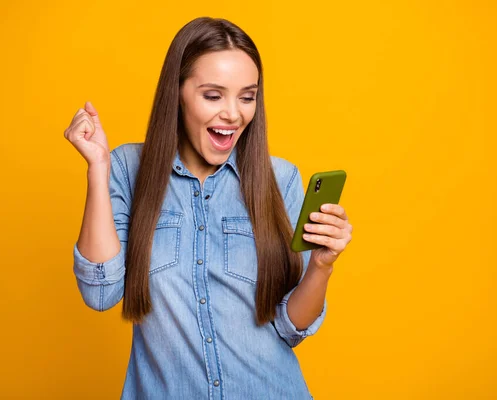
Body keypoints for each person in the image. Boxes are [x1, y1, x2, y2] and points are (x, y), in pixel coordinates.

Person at [64, 16, 352, 400]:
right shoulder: (127, 169)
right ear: (177, 93)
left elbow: (290, 327)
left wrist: (321, 265)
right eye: (213, 96)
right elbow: (100, 293)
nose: (233, 114)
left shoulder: (279, 179)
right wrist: (97, 169)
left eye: (247, 97)